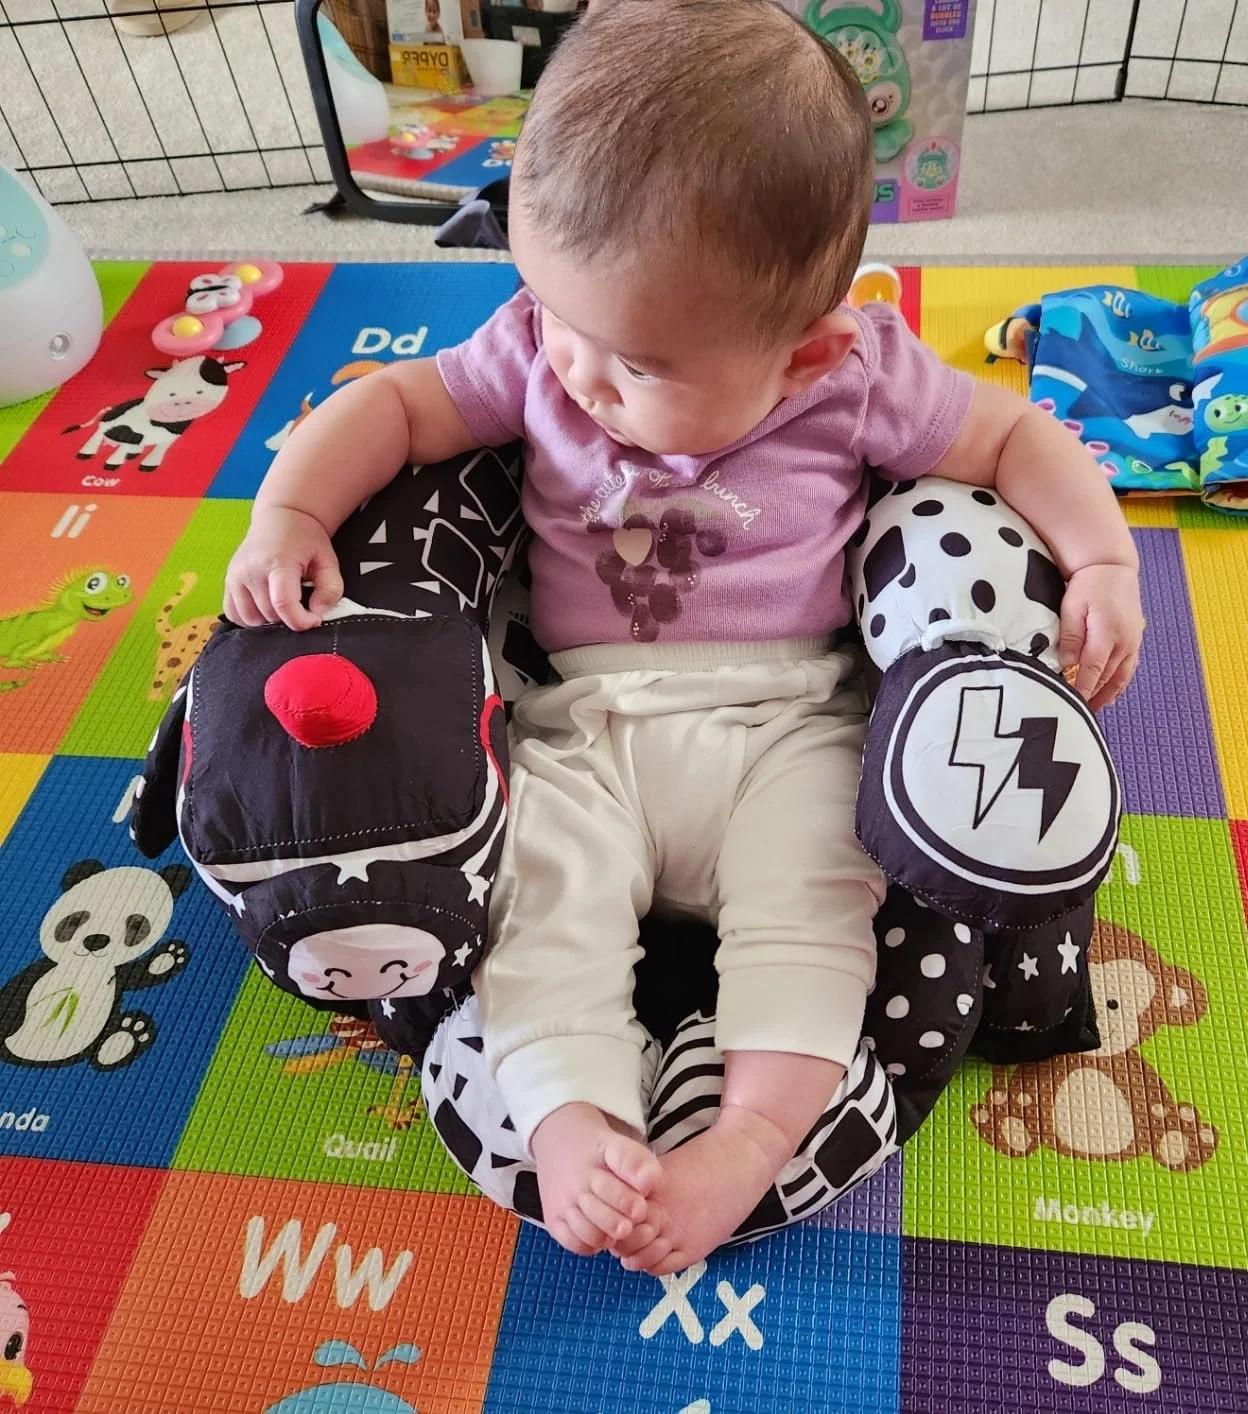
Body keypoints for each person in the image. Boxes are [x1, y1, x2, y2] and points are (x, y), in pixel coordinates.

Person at [224, 0, 1144, 1275]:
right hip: (578, 724)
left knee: (817, 898)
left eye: (637, 362)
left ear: (804, 351)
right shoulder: (542, 351)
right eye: (554, 316)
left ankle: (748, 1139)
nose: (579, 377)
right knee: (539, 895)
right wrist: (288, 512)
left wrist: (1100, 558)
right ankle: (567, 1121)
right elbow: (393, 404)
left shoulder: (858, 371)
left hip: (790, 723)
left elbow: (1013, 440)